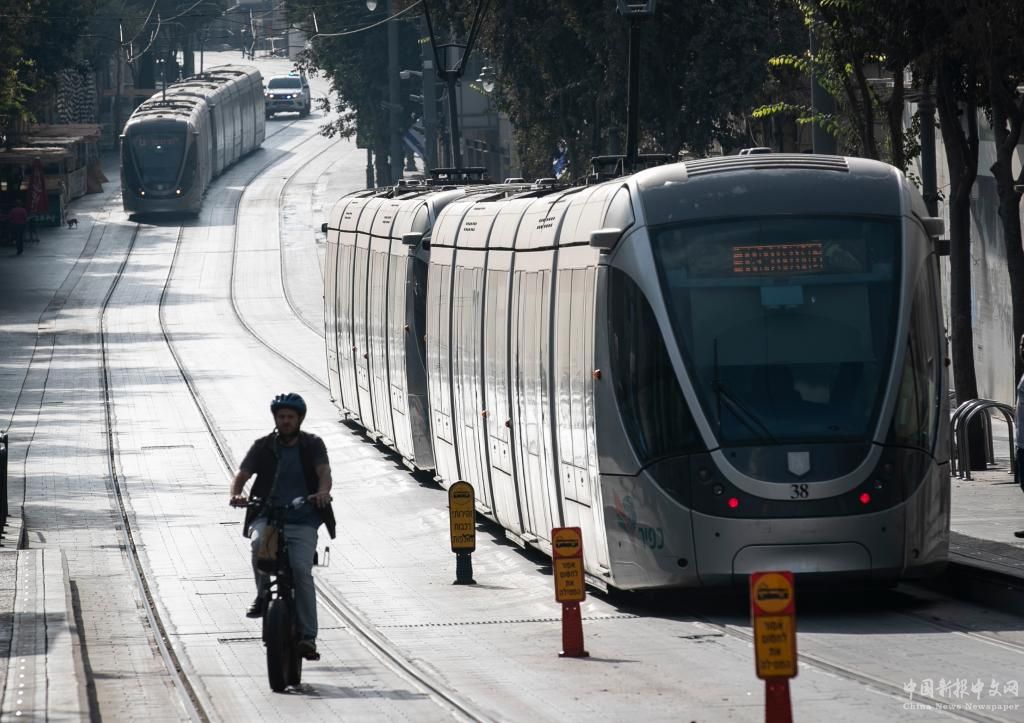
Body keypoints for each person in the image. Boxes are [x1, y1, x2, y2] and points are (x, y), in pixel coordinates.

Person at [229, 393, 336, 658]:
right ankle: (262, 594)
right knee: (258, 545)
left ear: (299, 419)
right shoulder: (263, 446)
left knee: (301, 571)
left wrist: (323, 492)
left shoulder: (312, 445)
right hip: (268, 515)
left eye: (290, 417)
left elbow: (324, 473)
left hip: (303, 518)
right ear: (275, 418)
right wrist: (236, 494)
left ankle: (308, 637)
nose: (286, 421)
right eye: (281, 417)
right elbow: (242, 475)